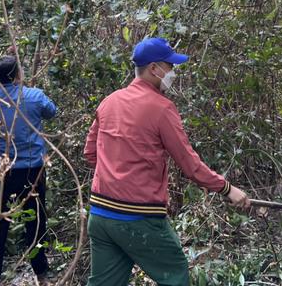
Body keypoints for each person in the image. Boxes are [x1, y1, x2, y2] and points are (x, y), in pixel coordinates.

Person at [84, 37, 251, 286]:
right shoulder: (161, 108)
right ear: (154, 69)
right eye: (170, 66)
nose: (173, 72)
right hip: (138, 218)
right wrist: (228, 189)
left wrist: (115, 173)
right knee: (175, 275)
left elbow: (90, 154)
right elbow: (189, 164)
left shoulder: (110, 101)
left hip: (100, 215)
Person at [0, 55, 57, 285]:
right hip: (32, 170)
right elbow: (52, 112)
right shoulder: (34, 96)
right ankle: (42, 274)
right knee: (36, 222)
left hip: (0, 170)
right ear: (17, 74)